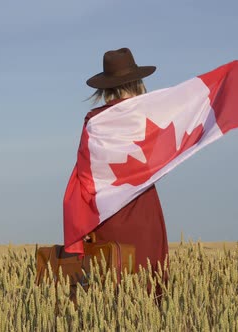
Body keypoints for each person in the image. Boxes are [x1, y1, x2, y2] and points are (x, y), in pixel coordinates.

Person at [83, 47, 169, 286]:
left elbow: (85, 172)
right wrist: (236, 76)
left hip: (106, 210)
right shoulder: (148, 114)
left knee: (108, 279)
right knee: (149, 281)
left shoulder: (94, 120)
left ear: (105, 87)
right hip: (142, 206)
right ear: (137, 82)